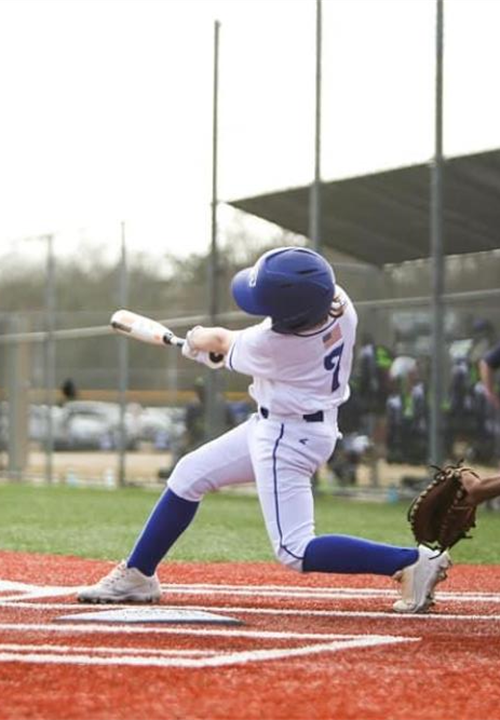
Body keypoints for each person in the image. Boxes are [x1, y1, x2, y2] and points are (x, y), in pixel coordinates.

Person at [77, 246, 451, 614]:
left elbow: (227, 343)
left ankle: (412, 561)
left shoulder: (273, 347)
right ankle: (139, 573)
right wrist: (211, 347)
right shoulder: (338, 302)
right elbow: (237, 342)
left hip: (286, 438)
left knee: (295, 550)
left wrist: (198, 342)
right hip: (294, 424)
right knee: (189, 473)